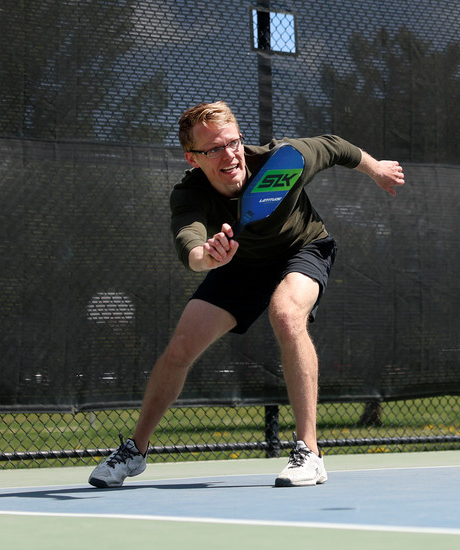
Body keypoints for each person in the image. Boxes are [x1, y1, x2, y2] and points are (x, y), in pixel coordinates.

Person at [88, 101, 405, 487]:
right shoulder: (188, 195)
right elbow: (189, 243)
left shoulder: (284, 161)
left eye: (233, 142)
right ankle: (135, 451)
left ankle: (310, 451)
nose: (229, 154)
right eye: (214, 149)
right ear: (192, 158)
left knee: (286, 314)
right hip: (238, 265)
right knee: (179, 350)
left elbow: (335, 146)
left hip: (302, 249)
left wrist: (376, 170)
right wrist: (207, 256)